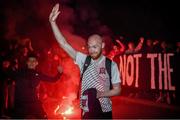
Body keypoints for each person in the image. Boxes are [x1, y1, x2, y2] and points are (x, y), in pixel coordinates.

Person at [49, 3, 121, 119]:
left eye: (95, 46)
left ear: (102, 45)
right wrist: (53, 23)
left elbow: (117, 90)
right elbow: (63, 43)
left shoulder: (111, 64)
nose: (92, 50)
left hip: (104, 111)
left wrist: (101, 94)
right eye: (89, 46)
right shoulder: (84, 60)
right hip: (86, 112)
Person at [11, 52, 63, 119]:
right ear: (27, 62)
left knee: (43, 118)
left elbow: (52, 80)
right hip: (21, 103)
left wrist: (60, 73)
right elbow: (9, 75)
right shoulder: (20, 72)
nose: (32, 63)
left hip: (34, 102)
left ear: (37, 63)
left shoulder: (38, 74)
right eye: (30, 61)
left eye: (34, 61)